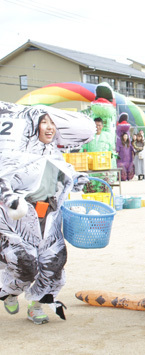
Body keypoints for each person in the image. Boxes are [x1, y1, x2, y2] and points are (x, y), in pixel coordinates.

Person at [0, 112, 88, 325]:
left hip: (49, 216)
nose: (49, 128)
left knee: (53, 263)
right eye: (43, 122)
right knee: (25, 264)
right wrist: (10, 199)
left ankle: (36, 305)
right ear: (32, 126)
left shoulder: (53, 152)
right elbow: (3, 178)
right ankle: (9, 291)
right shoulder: (15, 152)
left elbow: (62, 173)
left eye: (52, 123)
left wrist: (77, 178)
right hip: (19, 219)